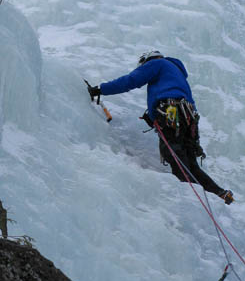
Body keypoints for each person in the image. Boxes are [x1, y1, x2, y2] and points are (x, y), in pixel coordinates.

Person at [87, 50, 234, 204]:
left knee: (175, 156)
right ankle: (220, 193)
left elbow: (130, 81)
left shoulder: (156, 63)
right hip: (189, 118)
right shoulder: (176, 72)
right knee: (191, 164)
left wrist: (100, 89)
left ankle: (193, 201)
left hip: (171, 113)